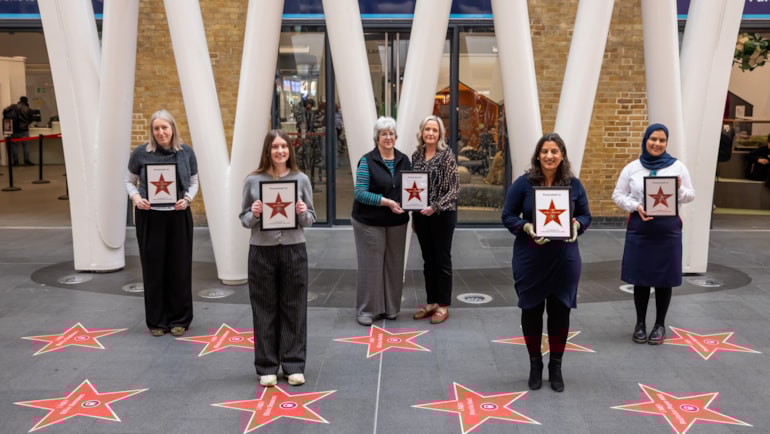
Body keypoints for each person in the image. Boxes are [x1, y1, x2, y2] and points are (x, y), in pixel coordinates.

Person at [502, 133, 591, 392]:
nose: (549, 156)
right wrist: (526, 226)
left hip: (564, 259)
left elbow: (586, 215)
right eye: (544, 151)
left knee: (560, 312)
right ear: (538, 155)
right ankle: (535, 364)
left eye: (554, 151)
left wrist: (577, 225)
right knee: (531, 312)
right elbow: (507, 215)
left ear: (562, 155)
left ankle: (556, 366)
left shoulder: (574, 185)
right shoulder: (523, 184)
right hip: (531, 259)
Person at [239, 129, 316, 388]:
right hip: (262, 251)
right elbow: (244, 220)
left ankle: (294, 365)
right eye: (275, 147)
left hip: (294, 249)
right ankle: (267, 366)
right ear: (268, 151)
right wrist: (255, 213)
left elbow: (310, 219)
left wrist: (303, 211)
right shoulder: (253, 181)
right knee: (264, 308)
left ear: (289, 150)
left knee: (295, 308)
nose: (280, 151)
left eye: (284, 146)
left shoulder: (301, 179)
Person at [612, 123, 695, 346]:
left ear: (666, 143)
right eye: (653, 139)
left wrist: (679, 188)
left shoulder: (677, 167)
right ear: (646, 140)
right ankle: (640, 323)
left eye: (662, 140)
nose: (657, 144)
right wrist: (635, 206)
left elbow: (690, 195)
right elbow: (618, 195)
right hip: (641, 229)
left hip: (667, 231)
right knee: (640, 278)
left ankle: (659, 325)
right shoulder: (632, 168)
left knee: (663, 278)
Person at [125, 110, 198, 337]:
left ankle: (179, 319)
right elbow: (129, 180)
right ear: (152, 131)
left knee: (180, 269)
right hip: (150, 217)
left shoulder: (186, 152)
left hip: (178, 216)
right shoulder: (140, 153)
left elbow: (194, 181)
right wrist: (136, 198)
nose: (160, 132)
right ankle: (157, 321)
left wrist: (187, 199)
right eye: (156, 128)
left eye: (164, 127)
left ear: (172, 129)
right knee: (153, 270)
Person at [352, 116, 411, 326]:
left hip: (397, 221)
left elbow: (411, 187)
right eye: (384, 134)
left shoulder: (404, 160)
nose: (388, 137)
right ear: (377, 138)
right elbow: (360, 193)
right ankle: (367, 310)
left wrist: (411, 202)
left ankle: (391, 308)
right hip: (369, 222)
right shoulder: (367, 161)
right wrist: (387, 202)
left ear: (396, 136)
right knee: (371, 266)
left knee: (394, 265)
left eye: (391, 133)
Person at [411, 115, 460, 324]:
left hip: (442, 215)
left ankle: (443, 306)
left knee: (442, 260)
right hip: (422, 216)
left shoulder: (446, 155)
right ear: (422, 132)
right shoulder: (416, 156)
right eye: (427, 129)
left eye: (435, 130)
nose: (430, 133)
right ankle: (431, 302)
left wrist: (435, 206)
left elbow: (454, 189)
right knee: (428, 260)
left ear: (440, 134)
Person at [9, 96, 34, 166]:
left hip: (14, 129)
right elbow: (31, 119)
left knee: (14, 146)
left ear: (20, 100)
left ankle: (16, 162)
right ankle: (27, 161)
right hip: (24, 130)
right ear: (26, 101)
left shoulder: (13, 107)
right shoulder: (28, 109)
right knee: (25, 146)